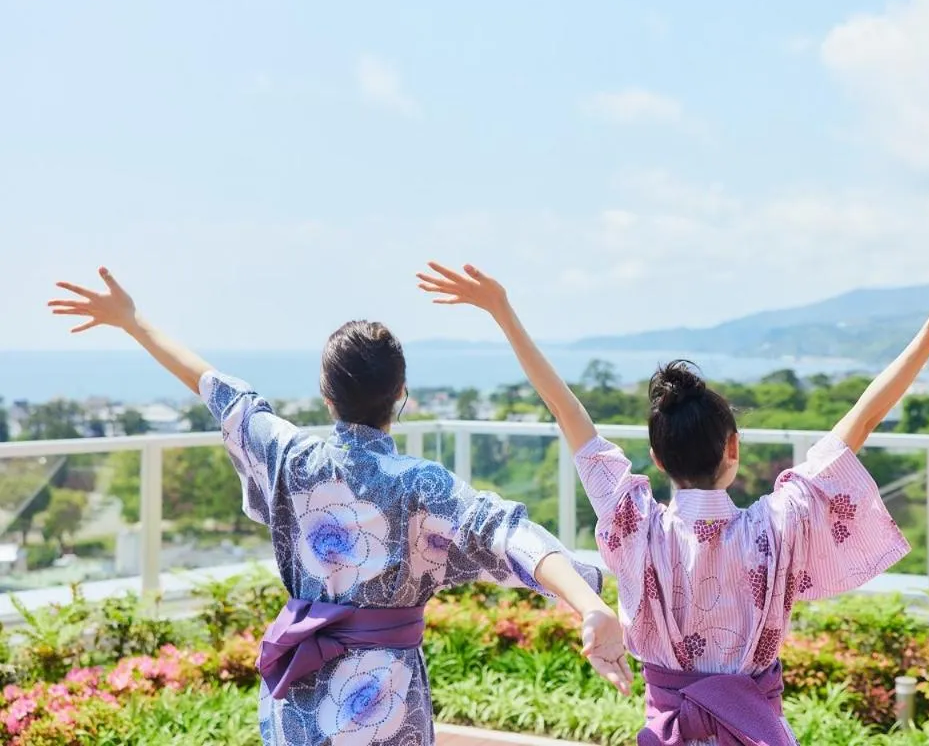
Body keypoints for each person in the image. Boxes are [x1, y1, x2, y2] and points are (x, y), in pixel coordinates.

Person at [416, 262, 929, 746]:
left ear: (656, 459)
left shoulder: (633, 522)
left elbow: (567, 412)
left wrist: (502, 311)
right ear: (733, 450)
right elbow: (861, 421)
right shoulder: (779, 524)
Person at [48, 267, 632, 746]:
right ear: (401, 395)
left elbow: (219, 390)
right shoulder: (424, 486)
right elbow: (511, 534)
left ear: (326, 394)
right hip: (389, 703)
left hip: (300, 692)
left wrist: (131, 320)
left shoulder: (292, 456)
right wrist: (586, 601)